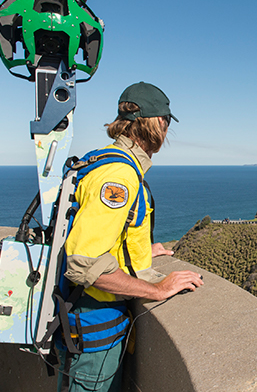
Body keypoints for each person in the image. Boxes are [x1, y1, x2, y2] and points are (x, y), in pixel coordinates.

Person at [57, 82, 203, 391]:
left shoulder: (105, 159)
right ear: (157, 124)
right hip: (94, 324)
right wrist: (158, 290)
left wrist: (139, 252)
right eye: (165, 121)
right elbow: (85, 263)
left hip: (94, 322)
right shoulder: (118, 175)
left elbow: (104, 231)